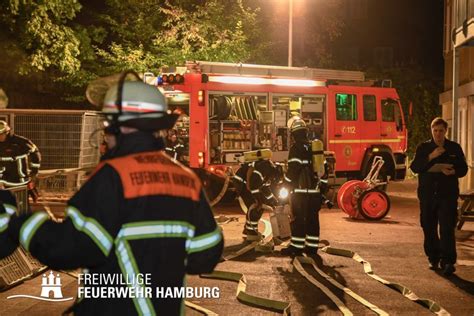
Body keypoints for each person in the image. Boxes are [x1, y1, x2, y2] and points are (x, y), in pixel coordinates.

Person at [0, 75, 223, 315]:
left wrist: (19, 223)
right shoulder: (186, 180)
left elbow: (71, 248)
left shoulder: (113, 177)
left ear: (123, 125)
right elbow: (205, 255)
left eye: (108, 124)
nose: (105, 133)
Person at [410, 117, 467, 276]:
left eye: (441, 131)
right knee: (428, 226)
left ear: (445, 131)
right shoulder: (424, 147)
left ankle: (448, 261)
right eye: (435, 131)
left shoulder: (454, 148)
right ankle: (433, 257)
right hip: (428, 195)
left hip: (447, 195)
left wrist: (453, 171)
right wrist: (431, 156)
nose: (438, 134)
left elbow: (463, 169)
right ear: (431, 131)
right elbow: (415, 167)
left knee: (447, 227)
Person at [281, 119, 326, 257]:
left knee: (298, 219)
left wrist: (286, 185)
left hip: (300, 193)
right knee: (313, 219)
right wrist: (322, 189)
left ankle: (296, 247)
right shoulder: (314, 147)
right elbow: (324, 170)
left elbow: (293, 171)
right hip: (315, 193)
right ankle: (312, 247)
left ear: (293, 134)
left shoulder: (296, 148)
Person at [0, 120, 41, 201]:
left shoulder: (20, 142)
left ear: (7, 132)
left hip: (20, 182)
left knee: (21, 208)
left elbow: (35, 153)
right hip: (3, 182)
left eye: (1, 134)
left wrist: (34, 172)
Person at [245, 158, 279, 240]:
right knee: (256, 207)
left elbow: (265, 188)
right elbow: (254, 186)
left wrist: (274, 201)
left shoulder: (267, 172)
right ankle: (251, 232)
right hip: (243, 184)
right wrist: (259, 201)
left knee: (259, 206)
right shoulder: (260, 173)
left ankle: (250, 231)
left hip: (251, 184)